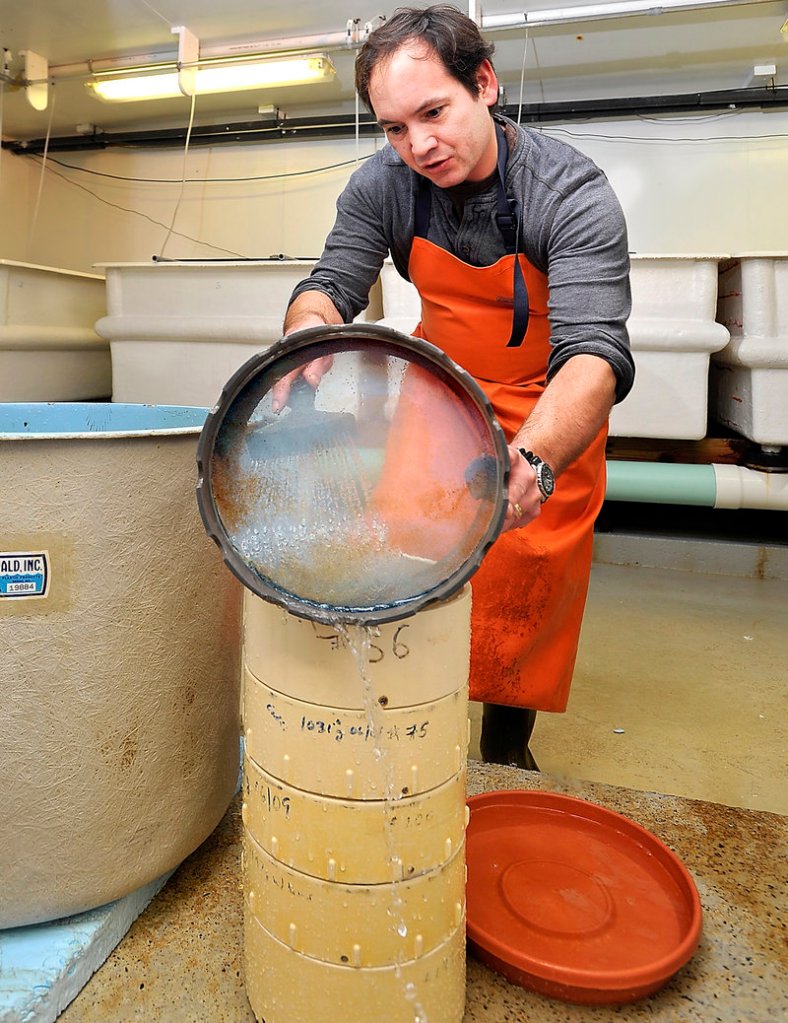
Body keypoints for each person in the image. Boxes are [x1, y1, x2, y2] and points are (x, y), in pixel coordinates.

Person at [281, 4, 634, 770]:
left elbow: (595, 355)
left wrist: (534, 459)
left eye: (433, 113)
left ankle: (504, 749)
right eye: (395, 128)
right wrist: (306, 334)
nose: (419, 145)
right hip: (444, 399)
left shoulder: (566, 190)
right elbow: (328, 285)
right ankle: (406, 723)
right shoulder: (383, 186)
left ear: (485, 84)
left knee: (525, 589)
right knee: (407, 550)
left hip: (550, 405)